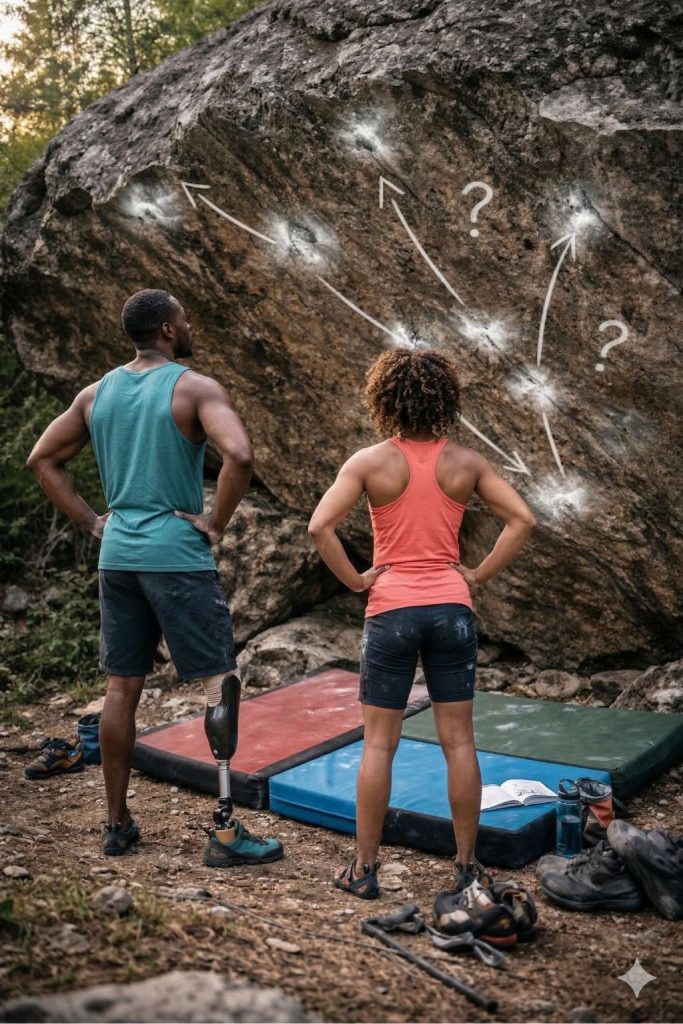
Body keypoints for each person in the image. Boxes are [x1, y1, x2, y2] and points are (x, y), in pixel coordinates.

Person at [26, 288, 283, 866]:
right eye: (184, 320)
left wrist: (94, 521)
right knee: (219, 682)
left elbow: (41, 460)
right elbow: (238, 455)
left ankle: (116, 825)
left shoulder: (96, 395)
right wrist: (214, 523)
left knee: (122, 688)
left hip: (116, 557)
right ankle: (223, 833)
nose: (189, 327)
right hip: (175, 557)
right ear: (168, 329)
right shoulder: (194, 387)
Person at [308, 348, 535, 898]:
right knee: (459, 743)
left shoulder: (368, 462)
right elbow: (522, 518)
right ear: (444, 400)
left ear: (385, 399)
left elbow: (321, 527)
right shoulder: (467, 463)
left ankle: (364, 870)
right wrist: (475, 574)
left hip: (392, 610)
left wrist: (360, 580)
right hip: (451, 609)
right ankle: (466, 867)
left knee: (379, 745)